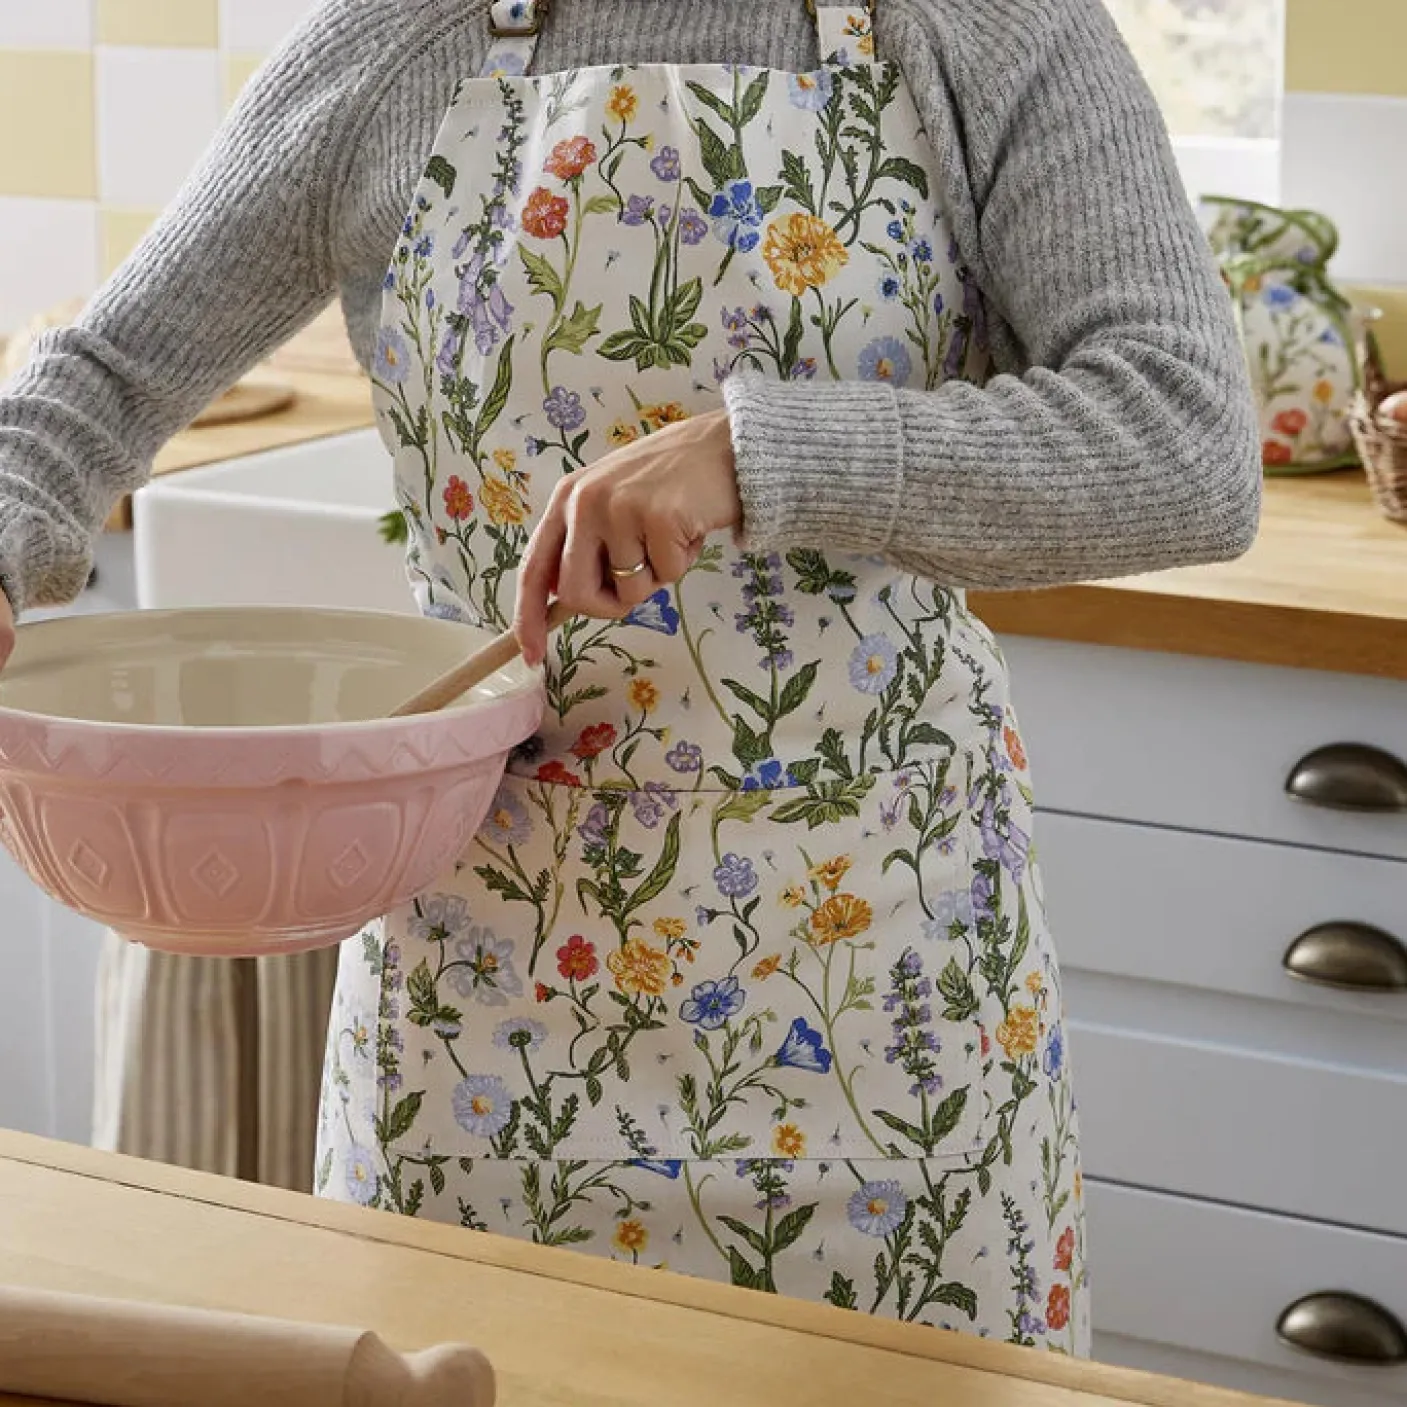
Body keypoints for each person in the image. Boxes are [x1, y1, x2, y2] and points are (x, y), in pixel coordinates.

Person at [0, 0, 1259, 1353]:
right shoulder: (403, 38)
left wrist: (756, 458)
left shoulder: (985, 28)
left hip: (889, 1015)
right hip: (483, 1018)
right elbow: (103, 373)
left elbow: (1183, 442)